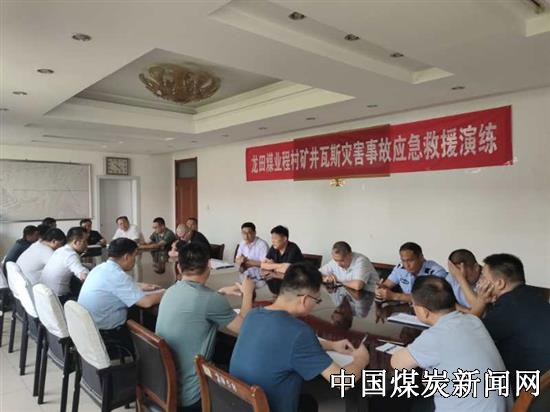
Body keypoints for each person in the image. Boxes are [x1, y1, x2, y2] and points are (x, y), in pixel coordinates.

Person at [230, 262, 370, 412]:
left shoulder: (253, 315)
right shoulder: (299, 333)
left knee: (308, 402)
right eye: (317, 300)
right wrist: (362, 359)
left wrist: (331, 345)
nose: (315, 305)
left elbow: (284, 345)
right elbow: (343, 382)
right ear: (304, 299)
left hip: (237, 405)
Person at [156, 242, 255, 410]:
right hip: (192, 396)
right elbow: (245, 329)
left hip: (164, 388)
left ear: (178, 267)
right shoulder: (210, 300)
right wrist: (248, 293)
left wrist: (219, 293)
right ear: (209, 266)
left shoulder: (170, 291)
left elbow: (195, 304)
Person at [391, 275, 509, 412]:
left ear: (424, 311)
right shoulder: (473, 320)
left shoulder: (435, 336)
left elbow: (397, 364)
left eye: (413, 304)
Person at [470, 253, 550, 393]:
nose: (480, 282)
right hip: (544, 387)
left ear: (500, 283)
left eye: (483, 277)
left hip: (525, 392)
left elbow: (465, 335)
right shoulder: (533, 295)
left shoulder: (508, 307)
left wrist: (480, 303)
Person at [78, 238, 164, 354]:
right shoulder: (118, 276)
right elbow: (146, 302)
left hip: (89, 329)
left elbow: (114, 285)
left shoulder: (100, 268)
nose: (135, 260)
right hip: (108, 335)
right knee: (146, 323)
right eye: (135, 256)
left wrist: (139, 285)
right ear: (126, 257)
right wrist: (167, 292)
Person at [375, 242, 447, 302]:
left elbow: (429, 298)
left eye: (410, 260)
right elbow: (387, 285)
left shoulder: (435, 272)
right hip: (406, 308)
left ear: (421, 257)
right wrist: (380, 289)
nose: (407, 265)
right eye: (403, 260)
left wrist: (395, 296)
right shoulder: (400, 268)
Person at [40, 227, 89, 303]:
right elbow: (83, 275)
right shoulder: (71, 255)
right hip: (59, 299)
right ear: (76, 242)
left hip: (45, 295)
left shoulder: (61, 250)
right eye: (85, 241)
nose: (87, 245)